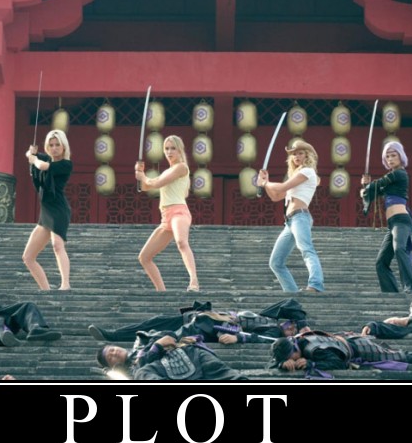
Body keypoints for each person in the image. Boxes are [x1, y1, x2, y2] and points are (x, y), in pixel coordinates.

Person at [88, 298, 310, 345]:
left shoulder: (273, 333)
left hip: (211, 328)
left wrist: (238, 338)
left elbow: (258, 339)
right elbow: (290, 303)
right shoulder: (270, 317)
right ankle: (113, 334)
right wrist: (302, 324)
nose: (290, 328)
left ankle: (140, 341)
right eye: (291, 325)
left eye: (293, 330)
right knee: (156, 321)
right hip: (205, 316)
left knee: (166, 334)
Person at [258, 139, 325, 293]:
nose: (296, 156)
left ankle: (316, 284)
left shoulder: (307, 172)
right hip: (290, 221)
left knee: (306, 250)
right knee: (275, 263)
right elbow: (276, 196)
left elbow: (281, 187)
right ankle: (293, 293)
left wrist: (264, 183)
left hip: (300, 217)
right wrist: (266, 182)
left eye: (300, 153)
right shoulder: (296, 176)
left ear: (307, 155)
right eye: (294, 154)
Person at [135, 135, 199, 292]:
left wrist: (143, 177)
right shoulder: (167, 171)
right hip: (166, 217)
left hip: (179, 212)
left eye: (173, 148)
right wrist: (140, 173)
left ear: (180, 150)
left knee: (181, 242)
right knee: (144, 257)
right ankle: (161, 291)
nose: (169, 152)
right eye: (167, 149)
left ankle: (194, 282)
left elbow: (156, 183)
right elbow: (146, 187)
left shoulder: (181, 167)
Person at [360, 141, 412, 293]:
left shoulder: (399, 174)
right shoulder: (392, 178)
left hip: (402, 220)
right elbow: (376, 191)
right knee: (381, 262)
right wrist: (366, 188)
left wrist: (368, 186)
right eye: (387, 156)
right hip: (392, 225)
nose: (390, 159)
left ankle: (411, 288)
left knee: (399, 248)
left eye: (393, 155)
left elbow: (378, 184)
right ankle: (391, 293)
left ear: (400, 156)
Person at [24, 129, 73, 290]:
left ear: (64, 146)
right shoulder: (45, 158)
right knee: (28, 257)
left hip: (59, 209)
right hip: (46, 210)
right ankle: (46, 291)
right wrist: (31, 154)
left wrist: (33, 159)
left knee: (57, 245)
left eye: (57, 144)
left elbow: (42, 166)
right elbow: (32, 158)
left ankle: (65, 285)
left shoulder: (65, 164)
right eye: (51, 145)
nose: (54, 148)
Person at [269, 330, 412, 373]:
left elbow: (338, 363)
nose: (292, 360)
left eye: (290, 357)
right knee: (404, 356)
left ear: (294, 350)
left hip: (361, 349)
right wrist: (282, 363)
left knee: (404, 357)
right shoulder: (299, 340)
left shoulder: (312, 350)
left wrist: (312, 364)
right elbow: (273, 361)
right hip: (349, 342)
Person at [97, 333, 247, 381]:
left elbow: (169, 335)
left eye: (112, 349)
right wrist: (156, 347)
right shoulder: (130, 371)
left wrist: (159, 342)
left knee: (225, 373)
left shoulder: (141, 342)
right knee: (142, 373)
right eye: (110, 357)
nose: (114, 353)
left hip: (189, 353)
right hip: (163, 368)